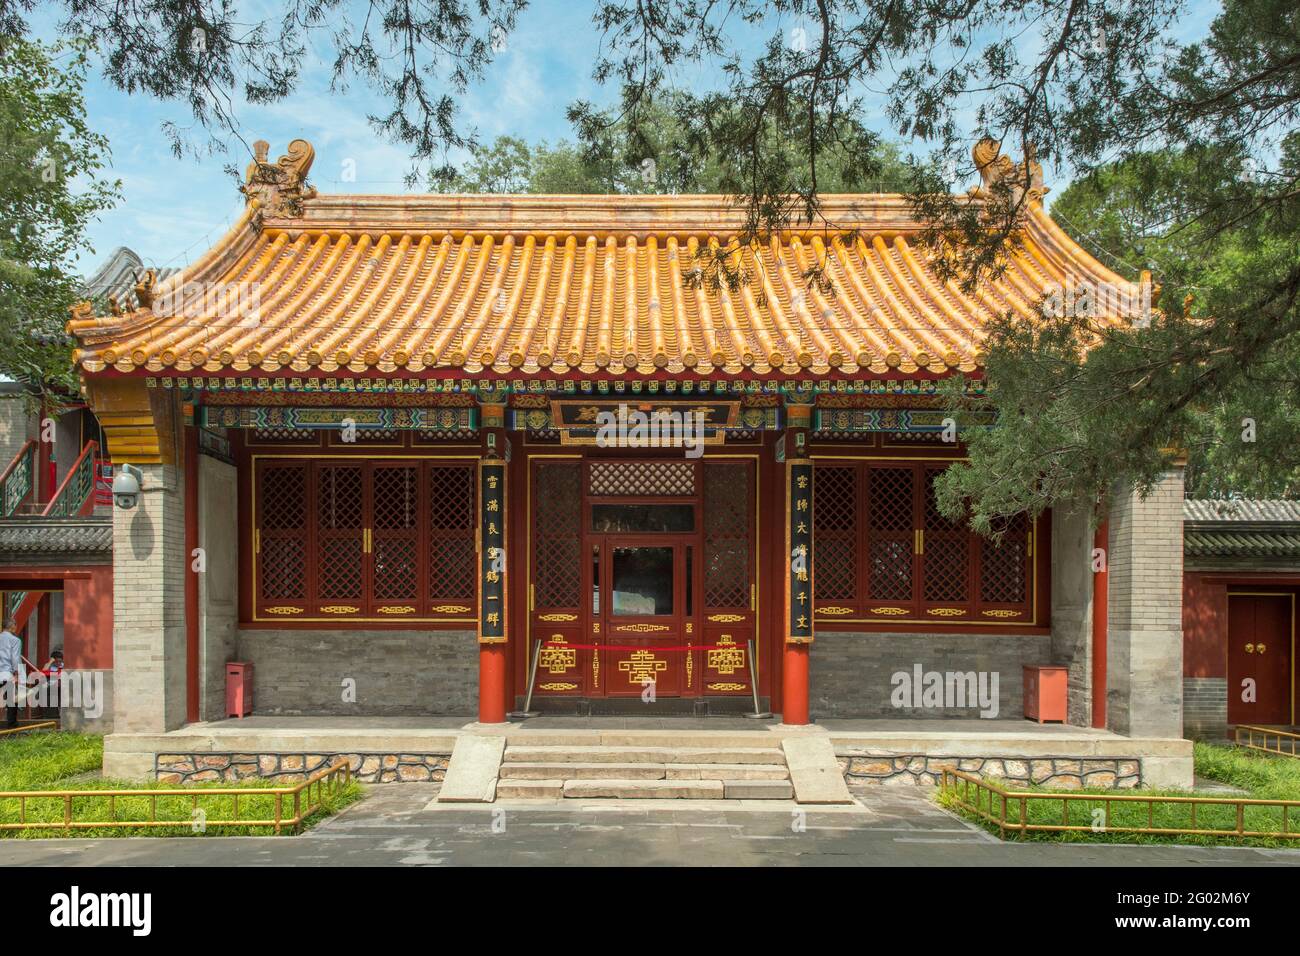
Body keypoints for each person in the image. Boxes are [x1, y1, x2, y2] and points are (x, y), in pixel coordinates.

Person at [0, 618, 22, 729]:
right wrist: (17, 674)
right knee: (12, 700)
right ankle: (12, 727)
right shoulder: (15, 640)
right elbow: (15, 659)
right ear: (12, 626)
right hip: (6, 674)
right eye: (15, 625)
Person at [40, 648, 64, 720]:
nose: (58, 663)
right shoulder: (49, 666)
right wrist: (50, 662)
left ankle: (60, 713)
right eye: (56, 661)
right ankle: (49, 715)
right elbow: (43, 672)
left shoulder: (63, 666)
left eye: (60, 661)